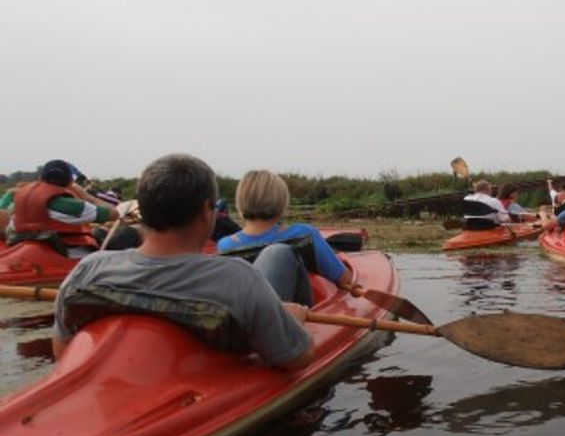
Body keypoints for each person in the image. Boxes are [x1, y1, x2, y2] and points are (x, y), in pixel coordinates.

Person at [52, 154, 314, 369]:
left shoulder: (88, 270)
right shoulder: (237, 279)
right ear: (205, 211)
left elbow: (63, 351)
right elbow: (296, 358)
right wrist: (293, 321)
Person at [218, 170, 353, 305]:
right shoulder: (303, 233)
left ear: (240, 204)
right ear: (282, 203)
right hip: (294, 316)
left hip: (249, 314)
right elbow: (345, 280)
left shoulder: (225, 245)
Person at [1, 159, 121, 256]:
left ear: (40, 179)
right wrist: (88, 197)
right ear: (69, 182)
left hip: (23, 247)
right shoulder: (71, 206)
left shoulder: (20, 197)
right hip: (63, 253)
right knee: (108, 234)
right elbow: (114, 213)